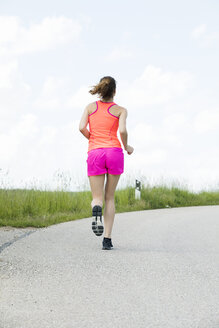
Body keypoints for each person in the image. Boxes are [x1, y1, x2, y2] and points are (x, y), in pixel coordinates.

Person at [79, 76, 134, 250]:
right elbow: (123, 130)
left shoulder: (90, 107)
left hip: (95, 152)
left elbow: (81, 127)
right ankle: (107, 239)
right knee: (110, 197)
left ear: (100, 90)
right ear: (114, 92)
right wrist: (127, 147)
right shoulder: (120, 110)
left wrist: (93, 139)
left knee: (98, 197)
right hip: (114, 152)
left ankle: (96, 208)